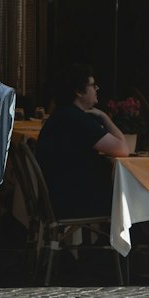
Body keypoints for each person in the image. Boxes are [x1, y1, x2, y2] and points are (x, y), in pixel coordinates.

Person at [35, 64, 128, 217]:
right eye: (92, 85)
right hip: (74, 201)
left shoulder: (62, 115)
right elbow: (123, 149)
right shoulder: (77, 120)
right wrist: (104, 116)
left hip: (58, 196)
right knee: (131, 198)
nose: (97, 88)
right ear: (79, 91)